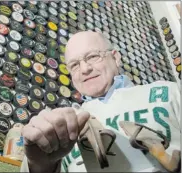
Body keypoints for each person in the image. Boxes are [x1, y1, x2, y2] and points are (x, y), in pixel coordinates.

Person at [21, 31, 181, 172]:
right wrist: (39, 166)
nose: (84, 69)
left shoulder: (168, 92)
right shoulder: (62, 125)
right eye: (74, 65)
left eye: (92, 57)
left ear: (116, 57)